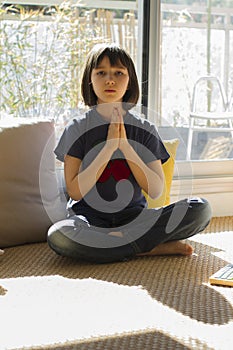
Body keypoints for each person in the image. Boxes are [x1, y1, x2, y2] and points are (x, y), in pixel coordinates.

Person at [47, 43, 212, 263]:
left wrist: (124, 147)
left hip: (136, 219)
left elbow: (155, 190)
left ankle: (116, 244)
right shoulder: (76, 129)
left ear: (129, 81)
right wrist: (108, 147)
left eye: (118, 73)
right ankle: (146, 248)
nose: (110, 80)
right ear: (90, 79)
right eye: (101, 73)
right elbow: (75, 192)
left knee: (200, 209)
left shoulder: (144, 129)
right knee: (60, 236)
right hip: (88, 219)